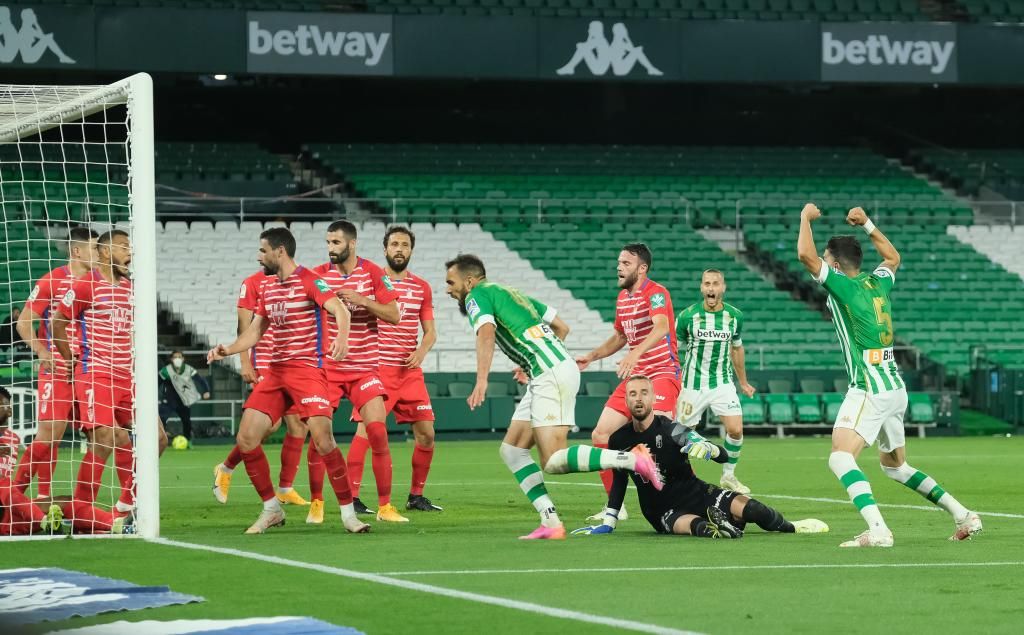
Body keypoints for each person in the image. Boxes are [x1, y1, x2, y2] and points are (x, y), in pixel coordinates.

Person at [797, 204, 982, 547]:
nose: (822, 261)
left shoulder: (845, 288)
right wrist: (867, 223)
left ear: (835, 266)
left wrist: (805, 218)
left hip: (869, 387)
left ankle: (879, 530)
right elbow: (893, 257)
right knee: (895, 466)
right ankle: (963, 514)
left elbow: (805, 256)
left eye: (827, 259)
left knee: (840, 457)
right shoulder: (877, 283)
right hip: (894, 386)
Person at [445, 254, 663, 540]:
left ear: (469, 281)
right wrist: (535, 359)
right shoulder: (511, 293)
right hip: (547, 371)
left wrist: (482, 379)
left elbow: (486, 333)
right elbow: (562, 327)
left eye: (451, 283)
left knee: (553, 460)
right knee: (512, 450)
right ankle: (550, 520)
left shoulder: (477, 295)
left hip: (549, 374)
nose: (448, 289)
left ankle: (632, 459)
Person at [207, 227, 369, 534]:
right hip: (276, 372)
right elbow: (255, 332)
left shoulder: (310, 280)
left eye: (263, 250)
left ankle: (349, 515)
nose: (259, 256)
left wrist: (343, 338)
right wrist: (228, 349)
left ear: (280, 251)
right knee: (246, 438)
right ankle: (272, 508)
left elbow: (340, 310)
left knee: (323, 441)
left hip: (308, 372)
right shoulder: (268, 288)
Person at [573, 375, 828, 539]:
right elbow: (619, 483)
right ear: (626, 400)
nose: (638, 399)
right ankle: (722, 526)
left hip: (698, 494)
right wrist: (609, 521)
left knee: (754, 509)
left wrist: (709, 449)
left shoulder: (673, 430)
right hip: (662, 510)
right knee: (701, 528)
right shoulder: (619, 440)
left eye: (643, 393)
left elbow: (723, 455)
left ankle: (791, 527)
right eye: (632, 394)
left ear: (652, 397)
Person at [311, 220, 407, 524]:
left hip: (364, 369)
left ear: (352, 244)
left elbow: (395, 315)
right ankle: (317, 503)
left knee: (377, 431)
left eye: (336, 242)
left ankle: (385, 507)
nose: (331, 248)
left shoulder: (373, 273)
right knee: (318, 436)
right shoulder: (317, 275)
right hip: (327, 369)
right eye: (328, 242)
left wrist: (363, 300)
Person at [575, 243, 680, 521]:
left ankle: (681, 499)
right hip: (636, 375)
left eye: (626, 263)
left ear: (642, 268)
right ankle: (615, 506)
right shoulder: (623, 298)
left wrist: (635, 353)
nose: (619, 267)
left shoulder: (656, 293)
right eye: (619, 262)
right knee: (601, 435)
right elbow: (620, 337)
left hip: (662, 373)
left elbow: (661, 327)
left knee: (661, 438)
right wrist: (592, 356)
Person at [350, 226, 441, 512]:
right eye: (394, 244)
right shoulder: (371, 282)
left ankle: (416, 496)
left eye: (404, 244)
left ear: (411, 250)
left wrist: (421, 352)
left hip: (409, 373)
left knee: (427, 434)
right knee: (367, 432)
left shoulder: (422, 287)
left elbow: (430, 332)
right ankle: (351, 499)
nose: (399, 249)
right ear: (385, 249)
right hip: (377, 370)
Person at [52, 230, 139, 518]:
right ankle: (80, 510)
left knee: (158, 438)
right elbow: (57, 322)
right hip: (96, 372)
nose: (129, 252)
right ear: (105, 252)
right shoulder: (85, 286)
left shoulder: (130, 288)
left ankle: (126, 504)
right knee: (105, 438)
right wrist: (68, 359)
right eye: (123, 247)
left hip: (128, 375)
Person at [212, 269, 312, 508]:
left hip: (289, 361)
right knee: (269, 425)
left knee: (299, 425)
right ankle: (226, 468)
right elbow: (243, 327)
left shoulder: (295, 281)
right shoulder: (253, 283)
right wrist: (245, 363)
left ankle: (285, 488)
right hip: (265, 363)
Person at [13, 227, 97, 499]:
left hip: (91, 369)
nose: (99, 253)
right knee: (51, 433)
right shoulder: (53, 280)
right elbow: (24, 322)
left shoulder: (101, 282)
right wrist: (42, 351)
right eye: (94, 247)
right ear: (77, 251)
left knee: (101, 437)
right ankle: (24, 496)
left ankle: (89, 501)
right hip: (58, 368)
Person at [0, 386, 131, 535]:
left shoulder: (12, 439)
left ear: (10, 411)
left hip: (10, 512)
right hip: (8, 501)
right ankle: (44, 521)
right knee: (3, 482)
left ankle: (115, 524)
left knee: (65, 501)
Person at [676, 269, 757, 494]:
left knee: (735, 430)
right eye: (707, 284)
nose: (711, 288)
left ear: (723, 288)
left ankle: (728, 475)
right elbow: (672, 349)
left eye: (715, 284)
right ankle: (682, 480)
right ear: (701, 288)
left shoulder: (735, 316)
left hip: (722, 383)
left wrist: (743, 382)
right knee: (680, 436)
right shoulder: (687, 316)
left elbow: (737, 349)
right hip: (692, 384)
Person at [158, 351, 211, 447]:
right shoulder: (166, 371)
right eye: (175, 357)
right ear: (171, 359)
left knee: (187, 421)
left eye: (179, 357)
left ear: (183, 359)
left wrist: (206, 391)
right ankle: (160, 440)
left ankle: (187, 440)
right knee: (162, 419)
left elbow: (200, 380)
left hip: (183, 400)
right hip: (169, 400)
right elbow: (157, 382)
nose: (177, 359)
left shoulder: (188, 369)